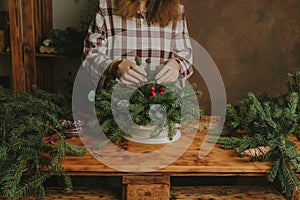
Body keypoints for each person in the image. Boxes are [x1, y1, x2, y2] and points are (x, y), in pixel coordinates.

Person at [81, 0, 193, 88]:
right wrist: (113, 66)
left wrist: (177, 65)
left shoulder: (177, 11)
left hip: (164, 105)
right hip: (115, 104)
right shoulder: (106, 7)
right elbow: (89, 56)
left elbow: (186, 57)